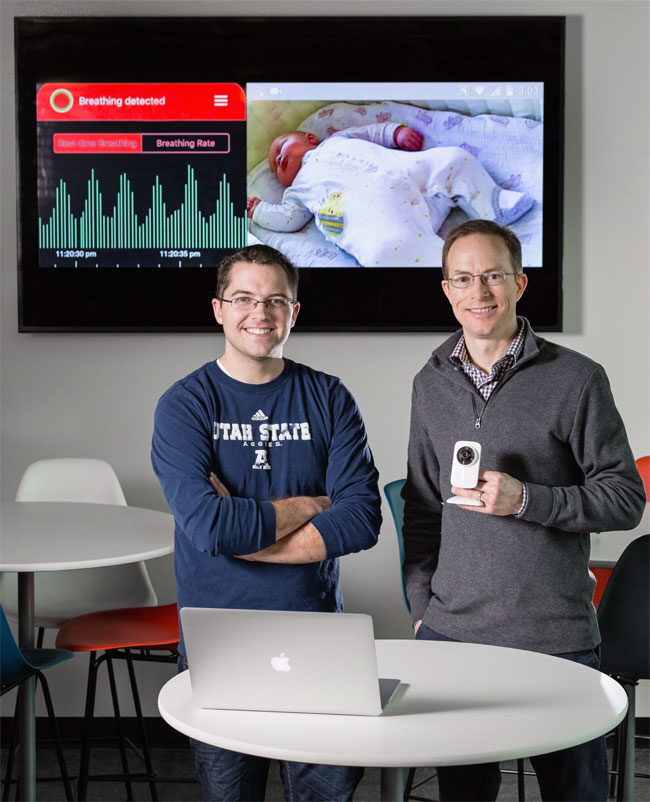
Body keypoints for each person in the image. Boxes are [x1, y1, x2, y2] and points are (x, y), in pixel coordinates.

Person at [401, 219, 645, 802]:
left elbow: (626, 497)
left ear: (519, 284)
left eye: (492, 276)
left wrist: (528, 499)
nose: (478, 291)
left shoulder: (577, 379)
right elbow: (422, 508)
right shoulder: (429, 382)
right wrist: (421, 606)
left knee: (574, 796)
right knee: (463, 795)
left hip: (554, 634)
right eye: (463, 278)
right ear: (446, 290)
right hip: (453, 635)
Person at [151, 244, 381, 801]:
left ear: (294, 313)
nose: (261, 312)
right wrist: (309, 505)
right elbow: (208, 528)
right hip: (219, 638)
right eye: (245, 299)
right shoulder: (185, 405)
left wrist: (244, 534)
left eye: (276, 300)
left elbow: (362, 520)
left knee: (326, 796)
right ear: (219, 310)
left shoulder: (328, 396)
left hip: (317, 633)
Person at [247, 124, 533, 267]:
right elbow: (288, 219)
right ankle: (458, 268)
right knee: (388, 249)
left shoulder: (337, 140)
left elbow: (372, 131)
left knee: (454, 160)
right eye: (274, 166)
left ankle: (494, 206)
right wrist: (259, 210)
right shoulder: (298, 190)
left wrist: (396, 133)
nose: (278, 160)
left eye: (282, 146)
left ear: (310, 137)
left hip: (414, 176)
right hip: (384, 222)